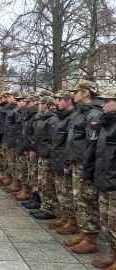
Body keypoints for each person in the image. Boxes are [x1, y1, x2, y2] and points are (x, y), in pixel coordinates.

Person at [62, 80, 103, 254]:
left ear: (85, 92)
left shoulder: (93, 114)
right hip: (76, 161)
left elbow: (91, 144)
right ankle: (84, 233)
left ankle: (91, 239)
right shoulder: (80, 113)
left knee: (88, 201)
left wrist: (87, 168)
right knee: (79, 200)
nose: (73, 94)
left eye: (76, 91)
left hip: (85, 164)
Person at [87, 88, 116, 269]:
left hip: (114, 180)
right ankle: (113, 255)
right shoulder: (107, 123)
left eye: (107, 101)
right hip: (105, 177)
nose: (102, 104)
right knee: (107, 221)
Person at [47, 91, 79, 234]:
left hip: (65, 160)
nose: (57, 102)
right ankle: (65, 218)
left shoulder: (72, 117)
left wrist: (67, 162)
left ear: (68, 100)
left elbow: (70, 143)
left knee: (67, 192)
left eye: (59, 99)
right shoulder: (62, 117)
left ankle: (72, 222)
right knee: (61, 191)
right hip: (58, 159)